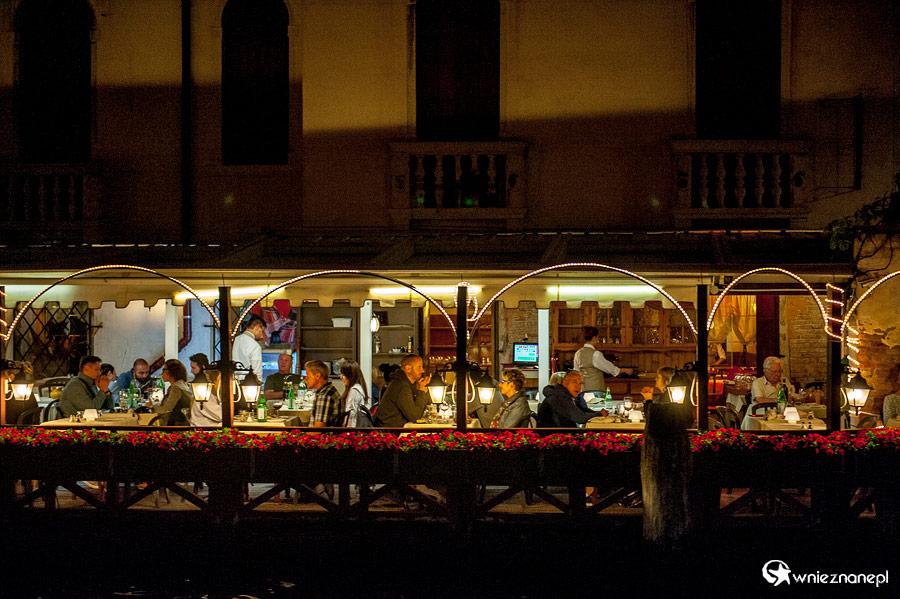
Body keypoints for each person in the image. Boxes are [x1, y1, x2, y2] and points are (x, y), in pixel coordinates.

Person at [375, 354, 431, 427]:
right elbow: (414, 416)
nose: (422, 370)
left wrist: (423, 391)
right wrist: (421, 392)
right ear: (408, 368)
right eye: (419, 367)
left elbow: (426, 405)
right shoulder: (401, 386)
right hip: (391, 431)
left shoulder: (408, 384)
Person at [573, 326, 633, 393]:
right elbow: (610, 368)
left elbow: (576, 372)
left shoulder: (578, 353)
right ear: (594, 338)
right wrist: (624, 370)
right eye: (597, 337)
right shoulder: (596, 354)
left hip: (582, 390)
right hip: (595, 390)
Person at [146, 359, 192, 426]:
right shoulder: (181, 384)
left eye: (163, 370)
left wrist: (152, 407)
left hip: (176, 426)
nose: (162, 374)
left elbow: (166, 410)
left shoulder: (176, 388)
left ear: (171, 371)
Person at [305, 360, 343, 427]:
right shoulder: (328, 389)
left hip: (325, 433)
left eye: (308, 375)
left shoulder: (325, 395)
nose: (306, 379)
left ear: (317, 376)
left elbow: (318, 429)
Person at [233, 314, 265, 382]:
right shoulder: (254, 345)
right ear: (257, 327)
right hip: (247, 382)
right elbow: (256, 370)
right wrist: (259, 384)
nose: (262, 335)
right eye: (262, 331)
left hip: (231, 381)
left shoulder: (235, 340)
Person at [339, 360, 369, 427]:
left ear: (350, 376)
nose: (341, 377)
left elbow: (350, 415)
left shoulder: (354, 391)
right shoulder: (358, 388)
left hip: (352, 429)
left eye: (343, 374)